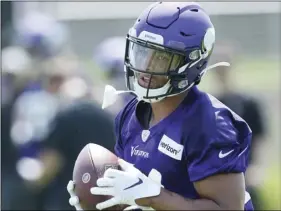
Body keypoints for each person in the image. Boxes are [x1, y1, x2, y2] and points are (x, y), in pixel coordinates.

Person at [67, 2, 254, 210]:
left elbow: (228, 208)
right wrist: (98, 196)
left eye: (162, 58)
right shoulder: (130, 115)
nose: (146, 67)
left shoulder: (210, 124)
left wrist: (153, 197)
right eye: (142, 52)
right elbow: (131, 195)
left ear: (191, 62)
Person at [212, 43, 266, 210]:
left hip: (246, 174)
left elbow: (261, 137)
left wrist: (257, 168)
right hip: (217, 176)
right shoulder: (207, 105)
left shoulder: (248, 103)